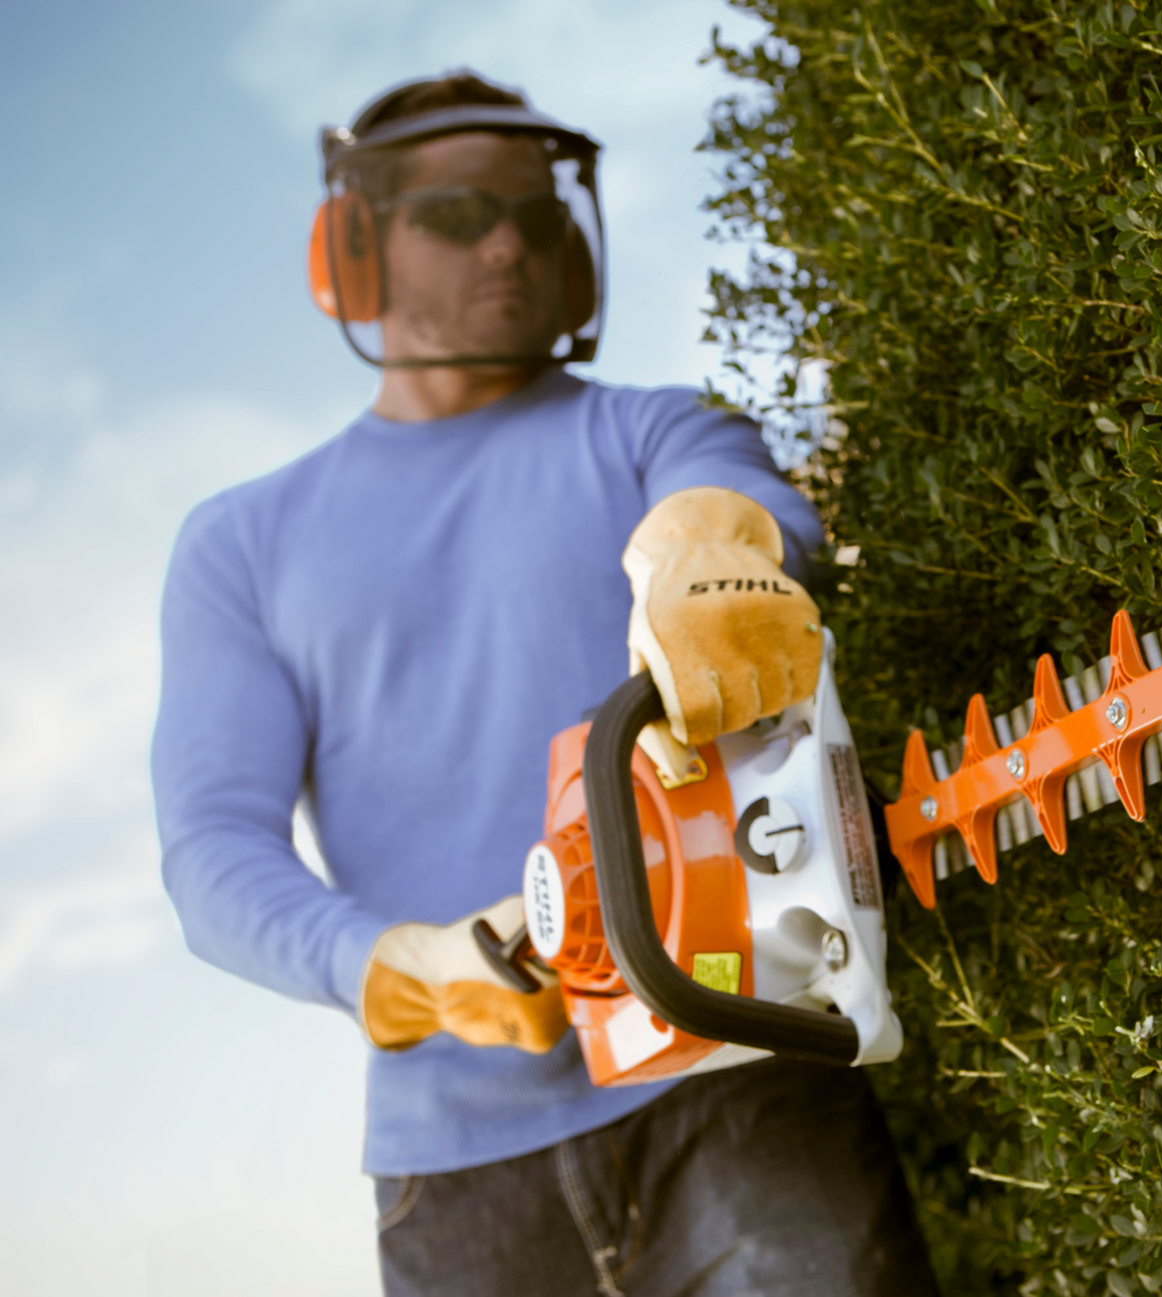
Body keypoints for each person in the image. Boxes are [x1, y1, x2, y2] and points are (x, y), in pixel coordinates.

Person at [152, 70, 938, 1296]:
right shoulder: (240, 542)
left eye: (535, 215)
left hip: (734, 1070)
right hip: (455, 1182)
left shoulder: (650, 430)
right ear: (356, 249)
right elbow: (211, 848)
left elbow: (744, 507)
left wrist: (706, 552)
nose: (510, 242)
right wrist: (397, 962)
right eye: (461, 214)